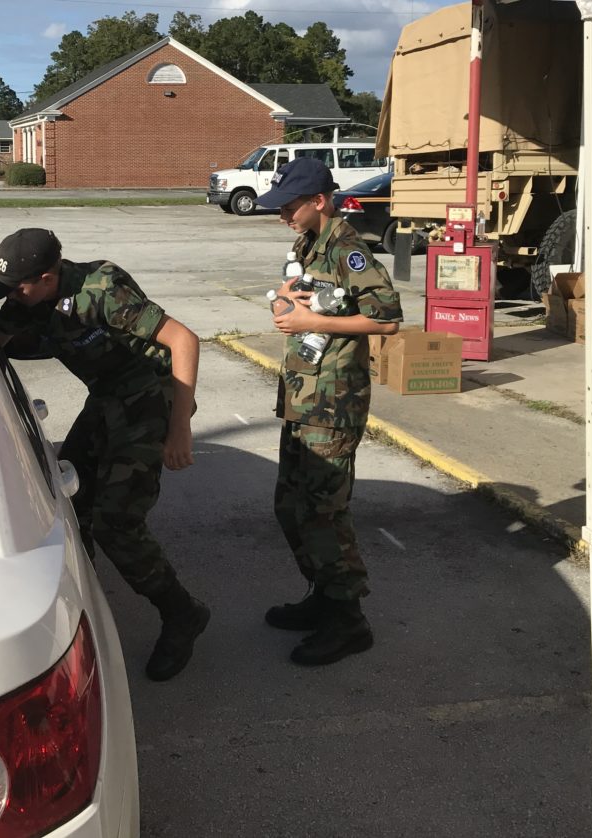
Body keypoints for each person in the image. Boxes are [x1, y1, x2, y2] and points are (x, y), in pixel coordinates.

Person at [0, 228, 209, 682]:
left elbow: (185, 341)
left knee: (116, 521)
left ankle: (182, 613)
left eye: (19, 286)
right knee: (66, 493)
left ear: (47, 277)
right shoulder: (24, 299)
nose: (12, 296)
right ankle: (84, 606)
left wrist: (179, 429)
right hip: (106, 396)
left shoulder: (101, 291)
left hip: (150, 396)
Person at [255, 158, 403, 666]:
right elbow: (307, 301)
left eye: (290, 206)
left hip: (333, 402)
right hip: (303, 395)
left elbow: (387, 320)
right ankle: (323, 594)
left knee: (322, 513)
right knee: (289, 507)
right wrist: (285, 300)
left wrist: (311, 319)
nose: (283, 216)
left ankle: (348, 619)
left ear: (319, 201)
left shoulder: (349, 249)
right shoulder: (307, 244)